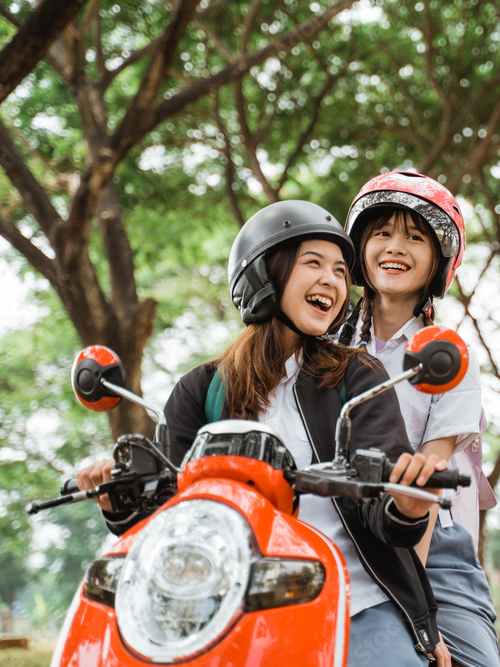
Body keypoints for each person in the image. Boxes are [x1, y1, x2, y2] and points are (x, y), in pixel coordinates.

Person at [77, 200, 449, 666]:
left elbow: (384, 503)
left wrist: (407, 502)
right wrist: (117, 501)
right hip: (227, 609)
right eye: (314, 263)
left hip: (356, 603)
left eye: (339, 270)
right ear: (263, 275)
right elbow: (166, 515)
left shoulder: (356, 377)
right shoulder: (202, 390)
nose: (333, 281)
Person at [339, 172, 500, 667]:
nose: (396, 247)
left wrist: (416, 607)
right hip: (336, 528)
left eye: (415, 237)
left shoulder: (447, 353)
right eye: (382, 232)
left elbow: (425, 484)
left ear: (437, 261)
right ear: (360, 247)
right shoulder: (324, 349)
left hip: (424, 541)